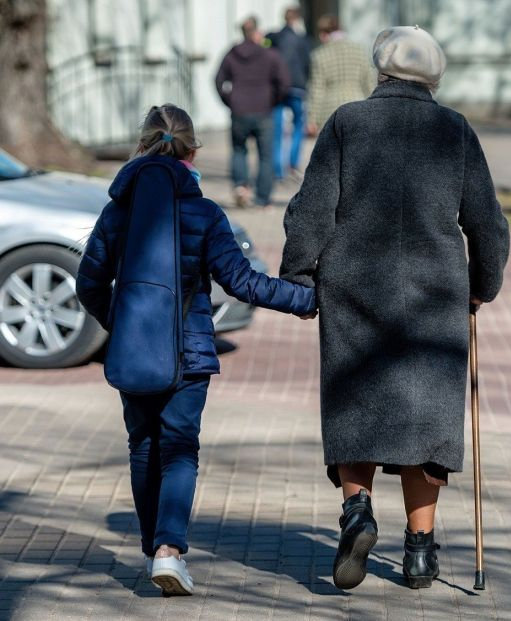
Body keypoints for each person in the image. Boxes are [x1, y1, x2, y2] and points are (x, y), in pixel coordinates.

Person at [279, 26, 510, 590]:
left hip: (355, 290)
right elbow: (487, 223)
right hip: (434, 296)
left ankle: (357, 515)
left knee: (356, 407)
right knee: (425, 425)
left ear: (380, 69)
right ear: (434, 76)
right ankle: (420, 553)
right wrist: (483, 283)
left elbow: (313, 209)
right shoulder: (453, 130)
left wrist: (300, 274)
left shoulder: (347, 123)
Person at [76, 104, 316, 597]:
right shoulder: (204, 212)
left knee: (143, 448)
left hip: (134, 354)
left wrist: (121, 325)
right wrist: (306, 300)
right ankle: (169, 551)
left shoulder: (117, 210)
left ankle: (152, 552)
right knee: (180, 450)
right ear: (193, 151)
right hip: (190, 353)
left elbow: (89, 284)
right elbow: (242, 282)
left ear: (142, 146)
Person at [215, 16, 290, 208]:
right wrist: (273, 100)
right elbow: (284, 83)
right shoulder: (270, 55)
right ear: (257, 31)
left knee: (239, 150)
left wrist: (229, 101)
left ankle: (241, 186)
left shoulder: (231, 54)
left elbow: (218, 80)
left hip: (239, 109)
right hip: (264, 109)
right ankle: (263, 198)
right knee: (265, 155)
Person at [306, 14, 376, 136]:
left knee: (332, 153)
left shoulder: (319, 55)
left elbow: (317, 90)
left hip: (329, 111)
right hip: (357, 105)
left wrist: (312, 119)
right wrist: (375, 109)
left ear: (323, 34)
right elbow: (369, 82)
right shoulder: (359, 50)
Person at [266, 6, 311, 180]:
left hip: (278, 88)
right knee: (299, 125)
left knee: (277, 129)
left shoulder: (273, 37)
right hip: (298, 88)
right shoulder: (303, 40)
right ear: (297, 20)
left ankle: (278, 170)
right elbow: (308, 64)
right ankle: (293, 164)